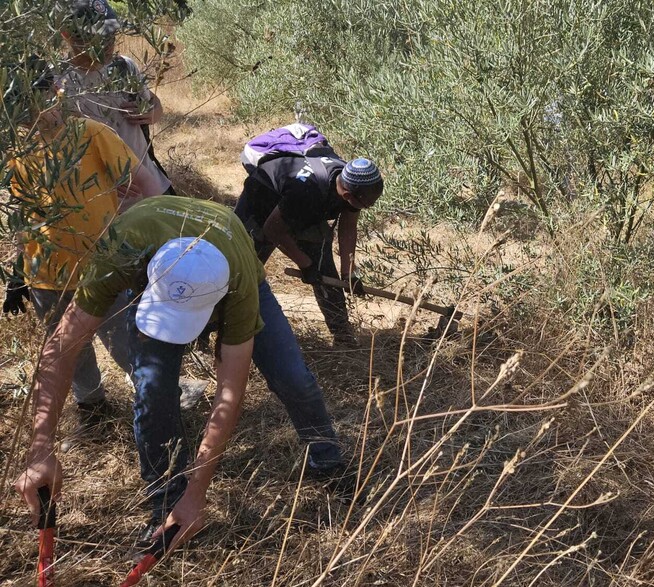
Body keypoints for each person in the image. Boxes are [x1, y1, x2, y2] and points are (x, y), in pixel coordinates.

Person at [13, 196, 349, 550]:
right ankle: (166, 510)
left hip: (233, 259)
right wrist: (40, 448)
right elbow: (61, 347)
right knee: (152, 390)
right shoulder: (119, 251)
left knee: (292, 376)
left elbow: (229, 394)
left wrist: (197, 493)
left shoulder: (239, 284)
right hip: (152, 252)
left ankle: (328, 462)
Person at [3, 57, 144, 445]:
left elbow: (138, 185)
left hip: (101, 265)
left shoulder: (89, 132)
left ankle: (157, 408)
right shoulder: (19, 153)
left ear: (55, 92)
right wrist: (18, 274)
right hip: (46, 273)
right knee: (70, 352)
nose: (31, 110)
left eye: (38, 95)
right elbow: (25, 217)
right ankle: (93, 413)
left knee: (124, 342)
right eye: (19, 101)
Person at [234, 151, 383, 345]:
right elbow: (272, 230)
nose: (367, 208)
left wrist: (350, 273)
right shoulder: (306, 191)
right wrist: (305, 263)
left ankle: (343, 336)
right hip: (261, 207)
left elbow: (348, 227)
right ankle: (212, 329)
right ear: (347, 195)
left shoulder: (353, 180)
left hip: (302, 210)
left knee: (324, 268)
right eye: (367, 205)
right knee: (241, 273)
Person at [56, 0, 175, 203]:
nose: (107, 45)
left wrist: (152, 112)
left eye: (110, 36)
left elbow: (154, 104)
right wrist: (100, 174)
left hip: (150, 191)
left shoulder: (124, 67)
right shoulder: (57, 82)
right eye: (95, 38)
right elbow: (57, 147)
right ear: (67, 35)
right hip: (103, 204)